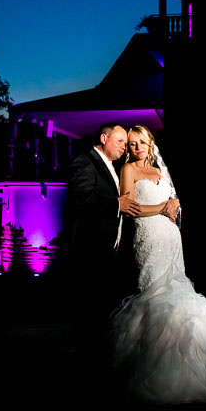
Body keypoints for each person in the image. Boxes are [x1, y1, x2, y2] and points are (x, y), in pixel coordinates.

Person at [108, 125, 206, 404]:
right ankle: (148, 369)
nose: (136, 148)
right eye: (131, 144)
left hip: (170, 237)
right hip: (148, 237)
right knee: (155, 296)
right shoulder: (129, 170)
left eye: (140, 143)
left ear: (150, 143)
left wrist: (175, 202)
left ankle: (185, 369)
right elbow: (129, 208)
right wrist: (161, 207)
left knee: (178, 294)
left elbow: (176, 199)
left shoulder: (161, 171)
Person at [66, 123, 141, 373]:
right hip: (91, 250)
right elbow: (82, 197)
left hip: (108, 250)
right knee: (90, 311)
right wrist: (116, 204)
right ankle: (86, 364)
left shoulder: (114, 167)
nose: (124, 147)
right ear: (103, 138)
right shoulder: (84, 162)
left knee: (103, 310)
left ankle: (98, 360)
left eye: (124, 143)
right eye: (119, 141)